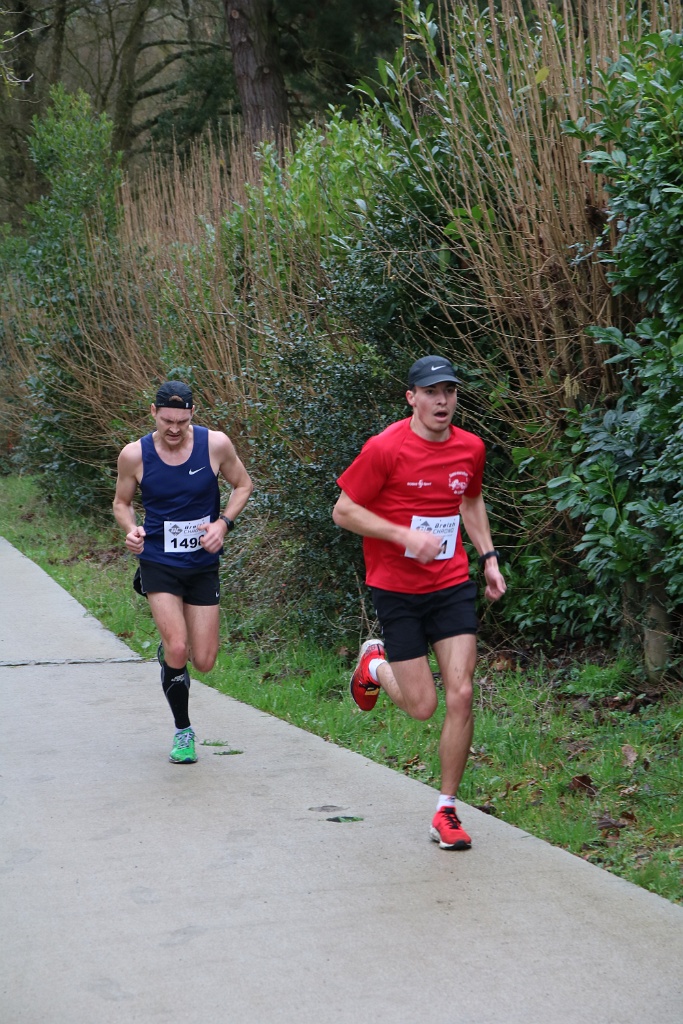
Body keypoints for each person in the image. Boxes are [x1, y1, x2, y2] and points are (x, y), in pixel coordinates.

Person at [332, 356, 506, 850]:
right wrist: (402, 534)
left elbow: (470, 501)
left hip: (450, 584)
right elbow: (344, 511)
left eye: (449, 391)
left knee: (462, 693)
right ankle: (375, 664)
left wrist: (489, 558)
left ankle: (446, 810)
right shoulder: (385, 448)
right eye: (431, 392)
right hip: (398, 590)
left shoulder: (470, 448)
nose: (442, 400)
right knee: (423, 706)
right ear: (411, 398)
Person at [113, 381, 253, 764]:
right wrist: (131, 530)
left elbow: (243, 485)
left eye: (181, 421)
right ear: (153, 413)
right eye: (166, 421)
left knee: (203, 660)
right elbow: (122, 503)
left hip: (202, 564)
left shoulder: (215, 445)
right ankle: (183, 731)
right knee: (179, 648)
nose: (174, 429)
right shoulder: (134, 455)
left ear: (193, 413)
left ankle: (170, 654)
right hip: (158, 561)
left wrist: (223, 523)